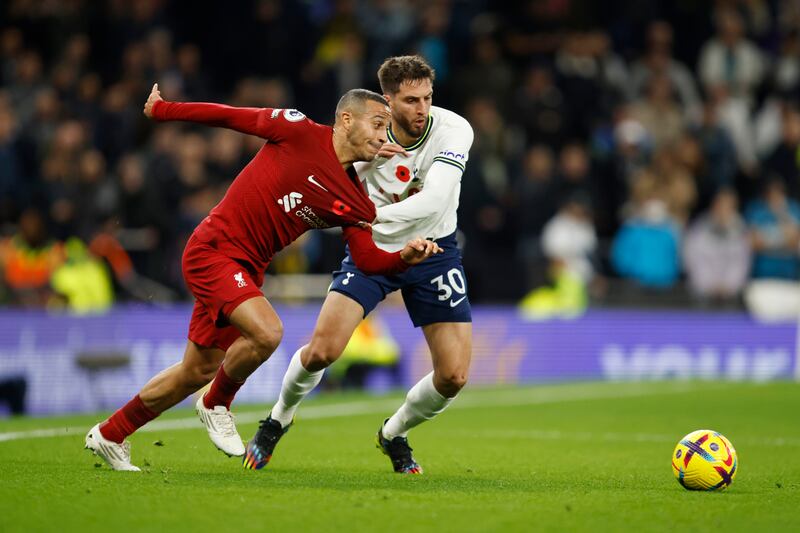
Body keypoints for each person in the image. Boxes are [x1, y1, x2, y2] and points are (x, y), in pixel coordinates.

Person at [84, 83, 442, 471]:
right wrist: (164, 109)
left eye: (386, 127)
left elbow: (369, 261)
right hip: (213, 250)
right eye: (377, 123)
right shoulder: (297, 130)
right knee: (268, 332)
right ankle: (217, 402)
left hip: (247, 269)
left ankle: (111, 433)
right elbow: (230, 116)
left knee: (196, 370)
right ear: (346, 119)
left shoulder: (356, 201)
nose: (382, 134)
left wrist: (404, 258)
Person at [244, 55, 474, 474]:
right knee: (322, 352)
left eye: (426, 98)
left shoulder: (454, 129)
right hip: (373, 252)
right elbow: (318, 186)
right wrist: (357, 217)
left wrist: (362, 212)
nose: (421, 109)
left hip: (435, 251)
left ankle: (394, 433)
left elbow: (437, 199)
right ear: (386, 100)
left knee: (454, 376)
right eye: (409, 101)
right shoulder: (360, 140)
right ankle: (277, 419)